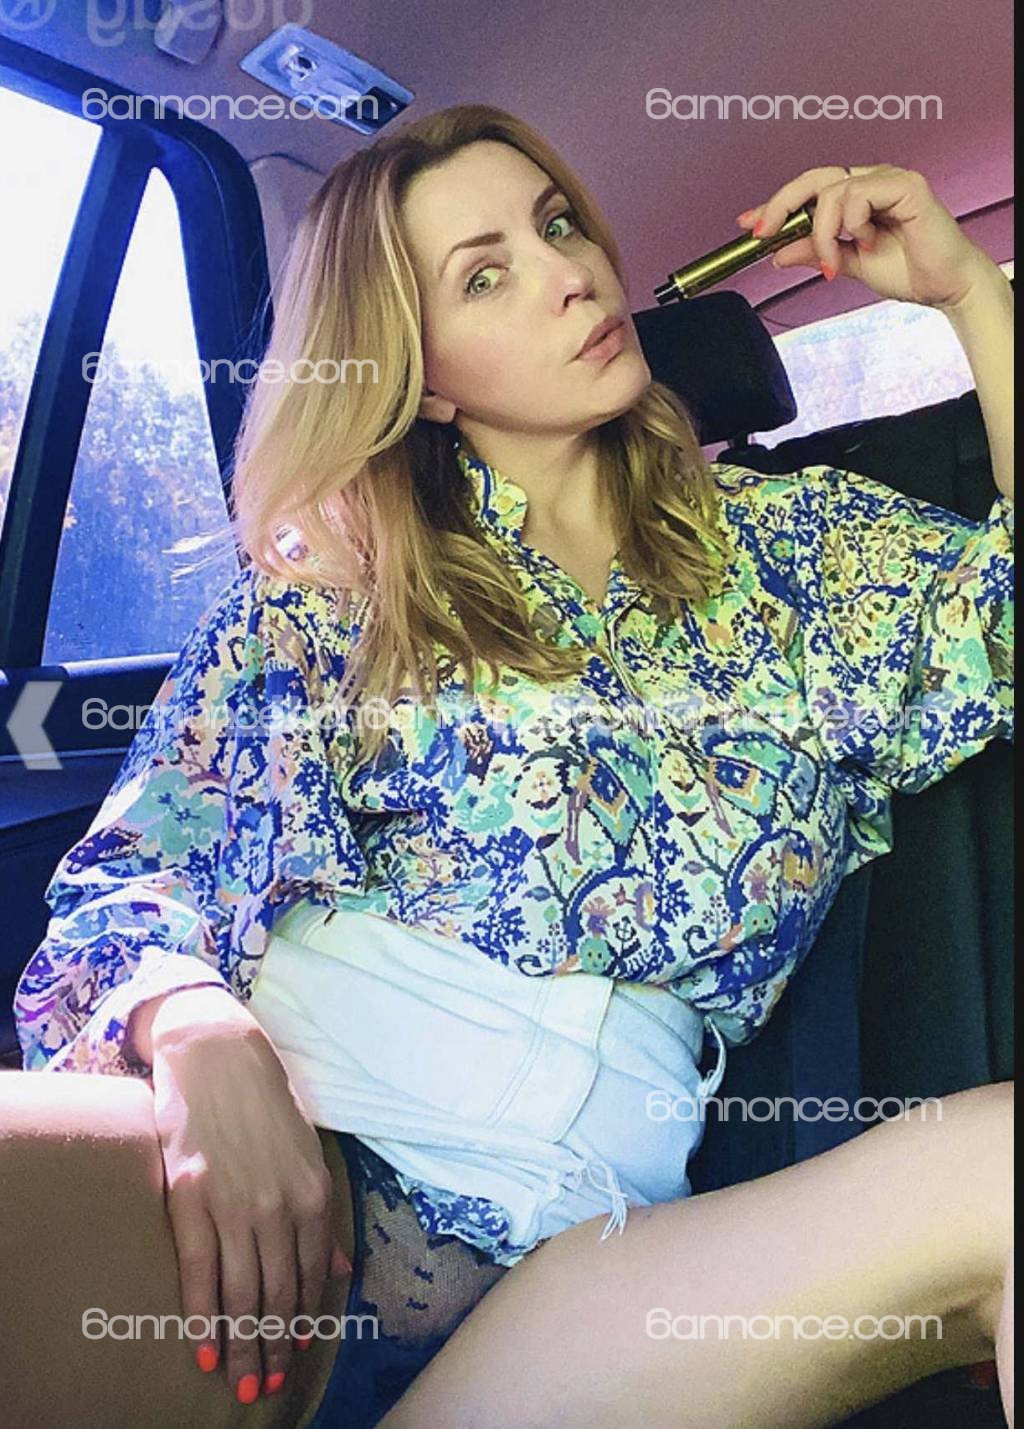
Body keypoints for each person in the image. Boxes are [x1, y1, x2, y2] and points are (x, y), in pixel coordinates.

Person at [3, 104, 1014, 1429]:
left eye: (557, 224)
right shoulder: (335, 591)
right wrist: (195, 1027)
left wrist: (971, 295)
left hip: (586, 1275)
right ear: (421, 375)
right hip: (272, 1177)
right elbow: (133, 883)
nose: (569, 273)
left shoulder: (805, 554)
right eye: (484, 276)